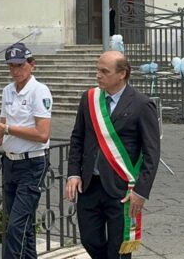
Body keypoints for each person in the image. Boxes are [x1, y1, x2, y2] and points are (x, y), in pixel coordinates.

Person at [64, 51, 160, 259]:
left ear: (122, 74)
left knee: (119, 249)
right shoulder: (89, 99)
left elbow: (152, 153)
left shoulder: (141, 104)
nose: (98, 75)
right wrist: (73, 173)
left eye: (104, 71)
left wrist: (141, 192)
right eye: (97, 69)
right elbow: (77, 138)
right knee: (90, 240)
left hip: (122, 189)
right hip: (89, 185)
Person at [0, 42, 52, 259]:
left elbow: (42, 134)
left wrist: (8, 129)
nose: (15, 71)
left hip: (33, 164)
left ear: (32, 65)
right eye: (11, 66)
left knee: (16, 226)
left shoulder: (40, 90)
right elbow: (1, 130)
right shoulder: (7, 90)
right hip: (10, 162)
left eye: (20, 65)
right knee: (21, 224)